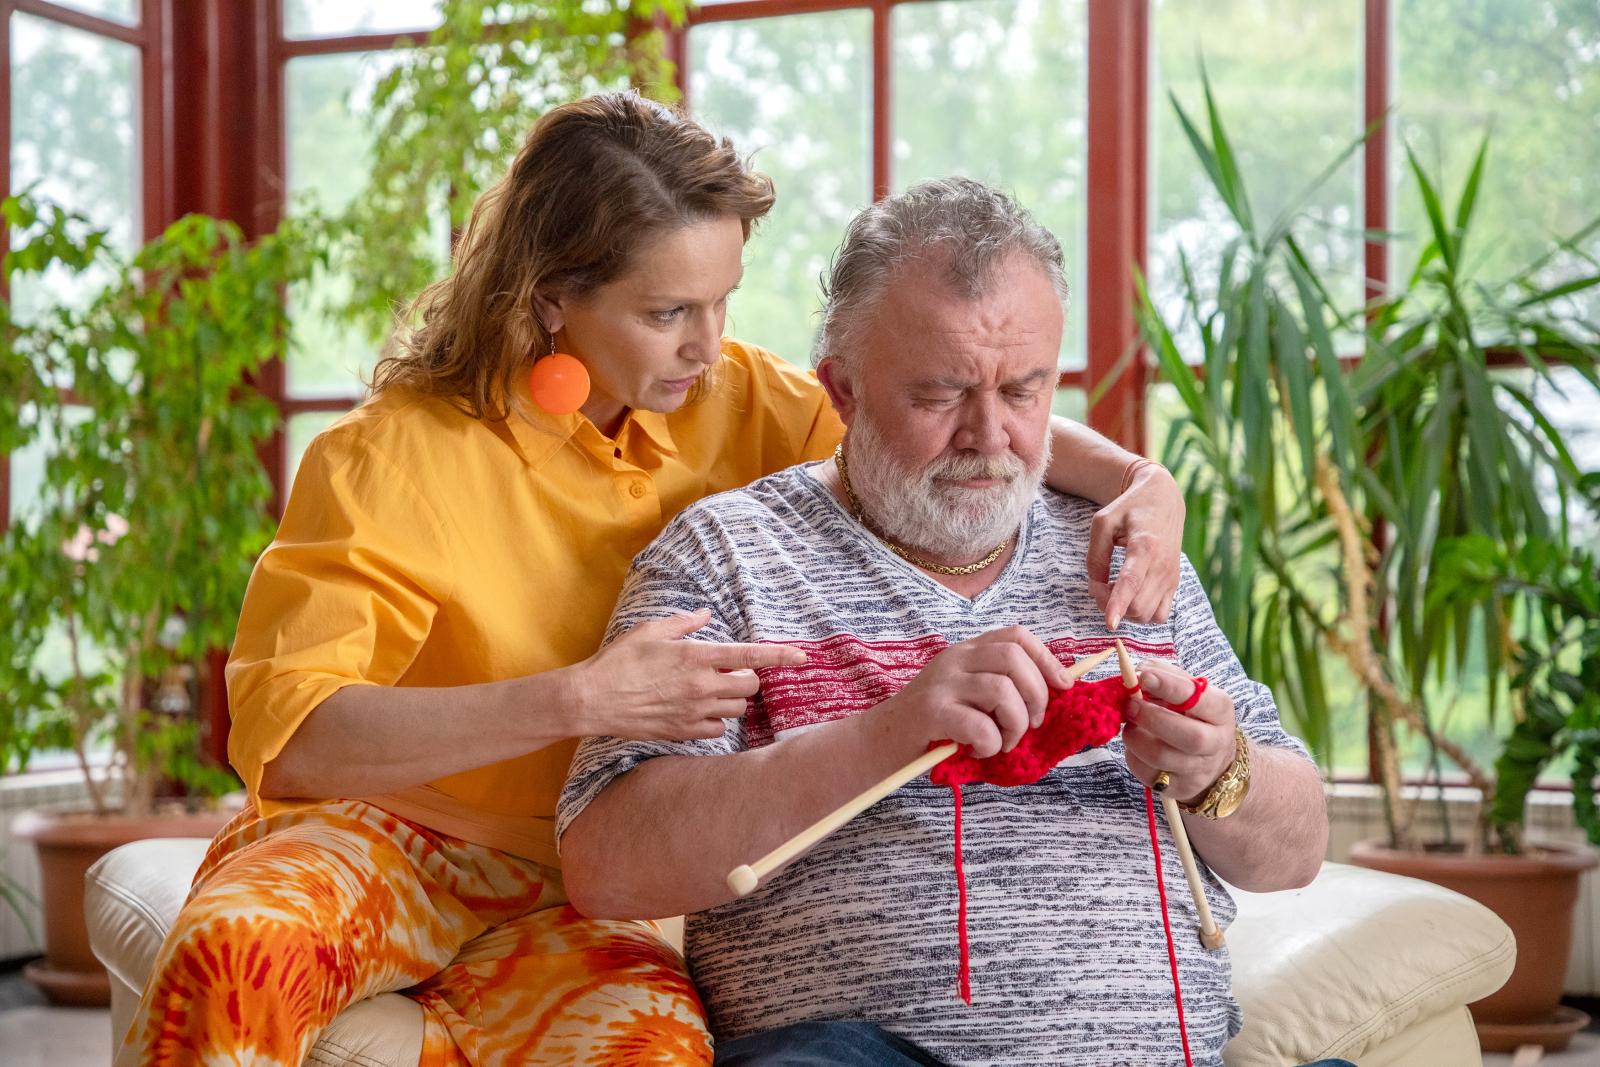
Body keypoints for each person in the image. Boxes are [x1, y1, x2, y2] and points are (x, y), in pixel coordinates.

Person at [118, 95, 1189, 1066]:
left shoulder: (733, 393)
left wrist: (1144, 479)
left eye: (721, 300)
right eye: (666, 312)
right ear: (548, 303)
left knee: (656, 1051)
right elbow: (294, 737)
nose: (707, 344)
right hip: (382, 839)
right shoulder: (383, 457)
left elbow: (941, 415)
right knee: (234, 953)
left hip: (582, 894)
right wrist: (581, 697)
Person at [557, 177, 1337, 1067]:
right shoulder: (729, 554)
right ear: (841, 390)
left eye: (1025, 389)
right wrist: (885, 733)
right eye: (941, 394)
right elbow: (605, 858)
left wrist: (1218, 767)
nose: (991, 434)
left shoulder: (1126, 547)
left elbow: (1298, 846)